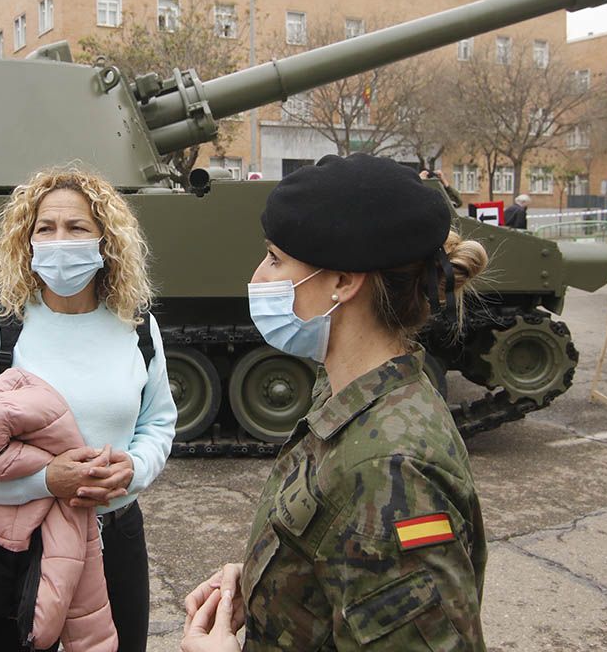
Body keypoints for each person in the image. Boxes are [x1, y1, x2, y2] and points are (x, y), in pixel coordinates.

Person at [182, 153, 489, 652]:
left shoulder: (393, 467)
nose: (258, 277)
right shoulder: (349, 394)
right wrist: (270, 582)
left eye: (276, 258)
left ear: (344, 282)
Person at [0, 165, 176, 652]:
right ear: (28, 240)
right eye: (46, 228)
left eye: (77, 227)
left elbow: (158, 421)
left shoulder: (138, 329)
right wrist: (45, 482)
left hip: (116, 535)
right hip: (17, 543)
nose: (60, 241)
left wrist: (136, 467)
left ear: (105, 241)